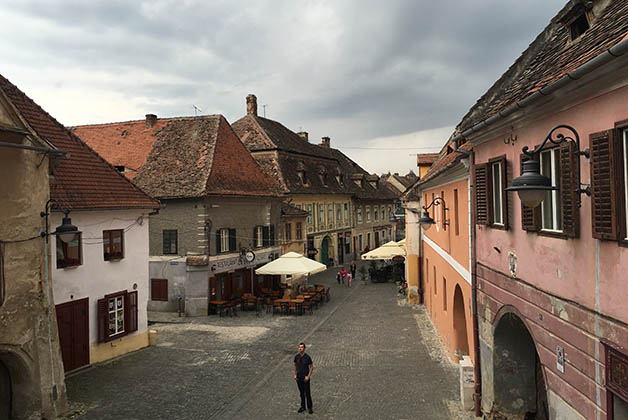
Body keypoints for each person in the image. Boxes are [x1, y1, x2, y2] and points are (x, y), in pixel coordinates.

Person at [294, 342, 314, 414]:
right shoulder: (296, 357)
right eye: (299, 347)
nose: (300, 348)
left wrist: (308, 376)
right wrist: (295, 374)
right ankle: (303, 406)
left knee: (307, 393)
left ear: (304, 348)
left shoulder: (307, 357)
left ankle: (310, 407)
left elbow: (311, 367)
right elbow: (295, 365)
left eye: (302, 347)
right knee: (301, 393)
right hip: (299, 378)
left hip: (305, 378)